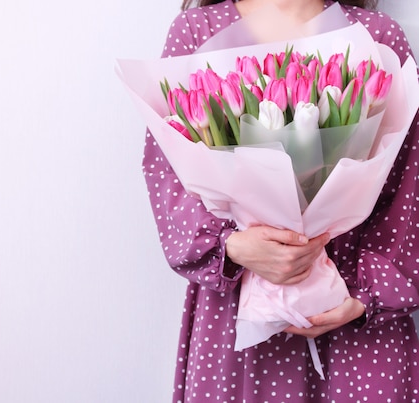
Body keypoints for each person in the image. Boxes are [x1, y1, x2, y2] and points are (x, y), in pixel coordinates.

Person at [142, 0, 419, 401]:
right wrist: (231, 247)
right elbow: (167, 173)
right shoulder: (196, 32)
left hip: (355, 321)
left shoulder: (377, 37)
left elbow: (409, 188)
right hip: (241, 307)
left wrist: (363, 296)